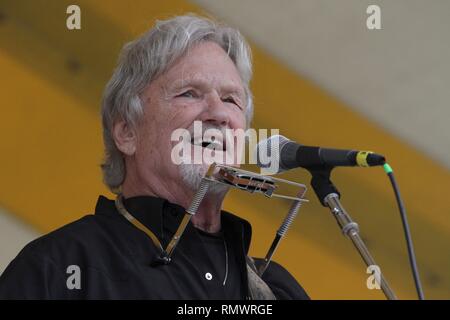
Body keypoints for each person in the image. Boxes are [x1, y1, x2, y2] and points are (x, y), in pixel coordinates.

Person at [0, 14, 309, 299]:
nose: (219, 113)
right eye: (189, 93)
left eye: (231, 100)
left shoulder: (279, 290)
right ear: (127, 132)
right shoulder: (59, 267)